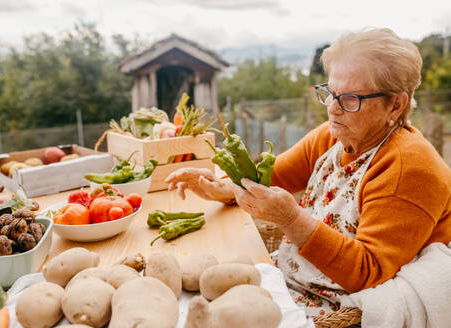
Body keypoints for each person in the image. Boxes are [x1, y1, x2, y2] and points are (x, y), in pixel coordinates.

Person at [165, 27, 451, 316]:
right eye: (329, 92)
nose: (333, 109)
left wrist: (292, 219)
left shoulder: (409, 168)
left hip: (337, 304)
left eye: (350, 99)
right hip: (294, 276)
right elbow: (274, 177)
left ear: (396, 104)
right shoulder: (335, 136)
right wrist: (221, 188)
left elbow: (368, 273)